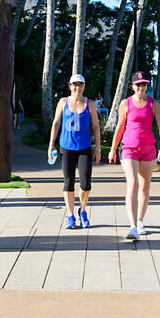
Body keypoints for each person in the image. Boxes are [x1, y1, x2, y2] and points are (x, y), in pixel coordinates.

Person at [109, 71, 160, 240]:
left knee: (144, 186)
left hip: (148, 149)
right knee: (133, 184)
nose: (141, 87)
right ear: (132, 86)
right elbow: (120, 127)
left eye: (144, 84)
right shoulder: (125, 104)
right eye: (138, 84)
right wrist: (113, 149)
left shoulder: (153, 104)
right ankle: (133, 226)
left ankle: (140, 221)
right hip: (129, 148)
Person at [48, 74, 101, 229]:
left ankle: (82, 211)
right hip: (66, 147)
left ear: (84, 86)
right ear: (70, 86)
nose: (77, 88)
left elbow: (96, 126)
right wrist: (51, 145)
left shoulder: (89, 104)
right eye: (74, 85)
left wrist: (98, 147)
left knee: (85, 183)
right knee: (68, 182)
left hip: (84, 148)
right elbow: (56, 123)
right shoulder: (63, 102)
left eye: (80, 85)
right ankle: (70, 215)